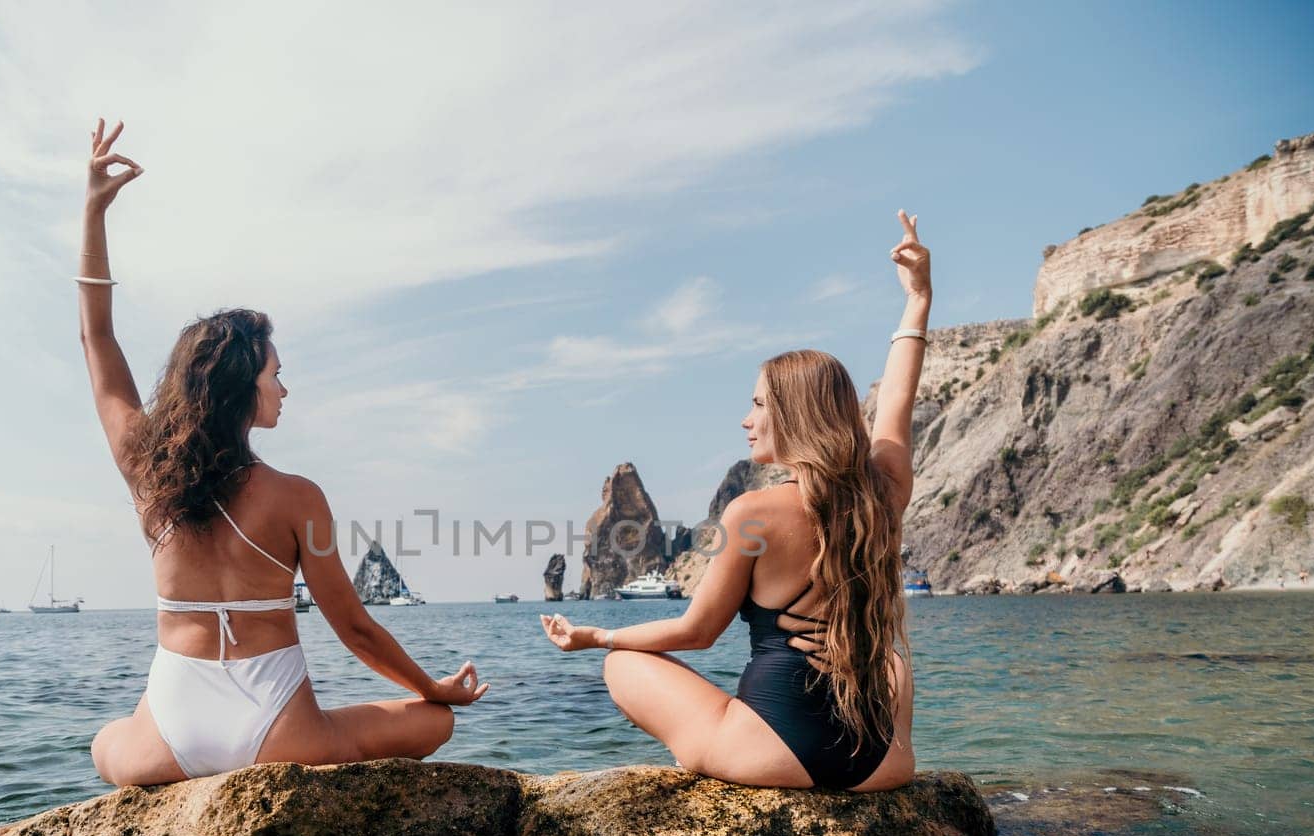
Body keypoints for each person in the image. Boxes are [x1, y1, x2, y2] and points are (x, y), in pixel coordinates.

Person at [78, 120, 488, 787]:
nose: (285, 387)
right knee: (435, 721)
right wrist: (434, 686)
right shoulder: (298, 498)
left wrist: (93, 212)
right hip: (280, 733)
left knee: (104, 743)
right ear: (245, 387)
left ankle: (162, 756)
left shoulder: (144, 468)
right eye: (276, 373)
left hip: (169, 736)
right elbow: (354, 629)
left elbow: (96, 339)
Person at [540, 211, 931, 791]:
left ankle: (714, 753)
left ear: (793, 415)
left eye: (758, 405)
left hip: (775, 755)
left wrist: (596, 636)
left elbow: (698, 632)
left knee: (621, 665)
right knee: (891, 664)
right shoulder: (885, 491)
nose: (746, 420)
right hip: (880, 766)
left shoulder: (752, 512)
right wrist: (918, 298)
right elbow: (899, 395)